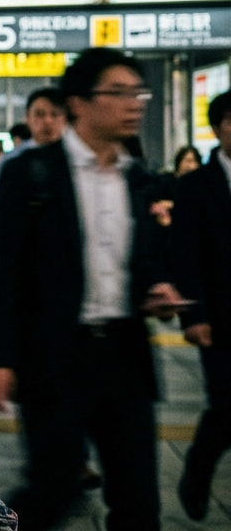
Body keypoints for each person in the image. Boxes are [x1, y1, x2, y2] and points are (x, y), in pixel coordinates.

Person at [0, 48, 187, 530]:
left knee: (139, 503)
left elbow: (140, 259)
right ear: (79, 103)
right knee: (51, 492)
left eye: (138, 92)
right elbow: (0, 270)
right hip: (56, 358)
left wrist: (153, 290)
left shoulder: (138, 177)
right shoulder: (32, 172)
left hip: (125, 355)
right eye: (118, 92)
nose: (134, 103)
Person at [171, 93, 231, 519]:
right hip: (221, 317)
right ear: (218, 127)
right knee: (228, 403)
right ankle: (199, 468)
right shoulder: (195, 186)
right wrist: (193, 315)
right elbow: (185, 255)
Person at [0, 87, 66, 178]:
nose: (48, 121)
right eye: (40, 114)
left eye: (55, 114)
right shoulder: (12, 161)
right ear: (27, 118)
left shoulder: (77, 159)